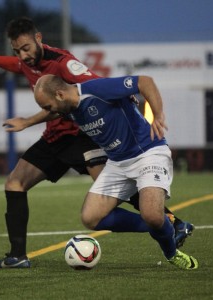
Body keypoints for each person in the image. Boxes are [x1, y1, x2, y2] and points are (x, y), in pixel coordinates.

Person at [0, 17, 194, 269]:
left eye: (26, 48)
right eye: (17, 50)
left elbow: (94, 89)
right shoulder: (28, 63)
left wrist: (126, 100)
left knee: (123, 193)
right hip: (56, 137)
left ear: (39, 38)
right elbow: (16, 66)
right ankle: (17, 256)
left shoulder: (65, 64)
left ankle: (169, 221)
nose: (22, 56)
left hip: (82, 135)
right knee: (16, 183)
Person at [33, 74, 198, 270]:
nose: (47, 112)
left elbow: (145, 81)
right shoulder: (67, 107)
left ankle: (171, 253)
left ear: (60, 94)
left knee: (152, 215)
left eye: (47, 106)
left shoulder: (96, 90)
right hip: (117, 163)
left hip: (147, 152)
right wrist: (26, 122)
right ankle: (162, 225)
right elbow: (52, 112)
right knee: (91, 217)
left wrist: (158, 114)